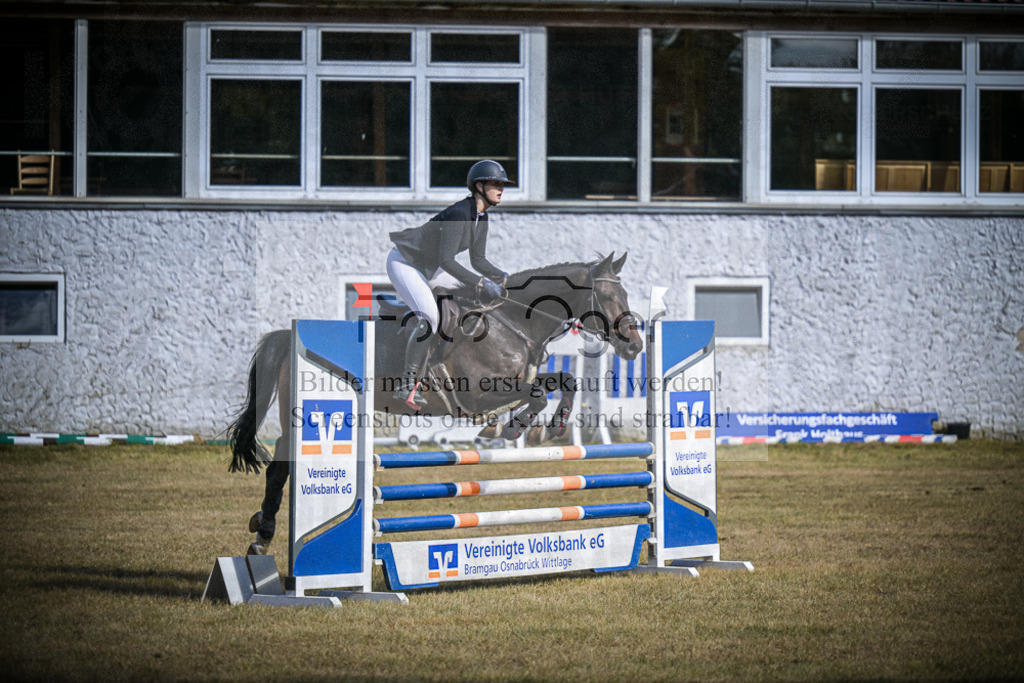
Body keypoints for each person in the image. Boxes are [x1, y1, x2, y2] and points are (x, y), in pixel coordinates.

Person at [386, 159, 513, 409]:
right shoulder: (459, 213)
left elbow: (478, 260)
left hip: (431, 267)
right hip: (405, 262)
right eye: (496, 183)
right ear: (479, 186)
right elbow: (447, 260)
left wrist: (503, 276)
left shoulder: (481, 218)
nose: (501, 189)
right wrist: (480, 282)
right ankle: (407, 384)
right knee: (431, 317)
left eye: (502, 184)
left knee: (467, 298)